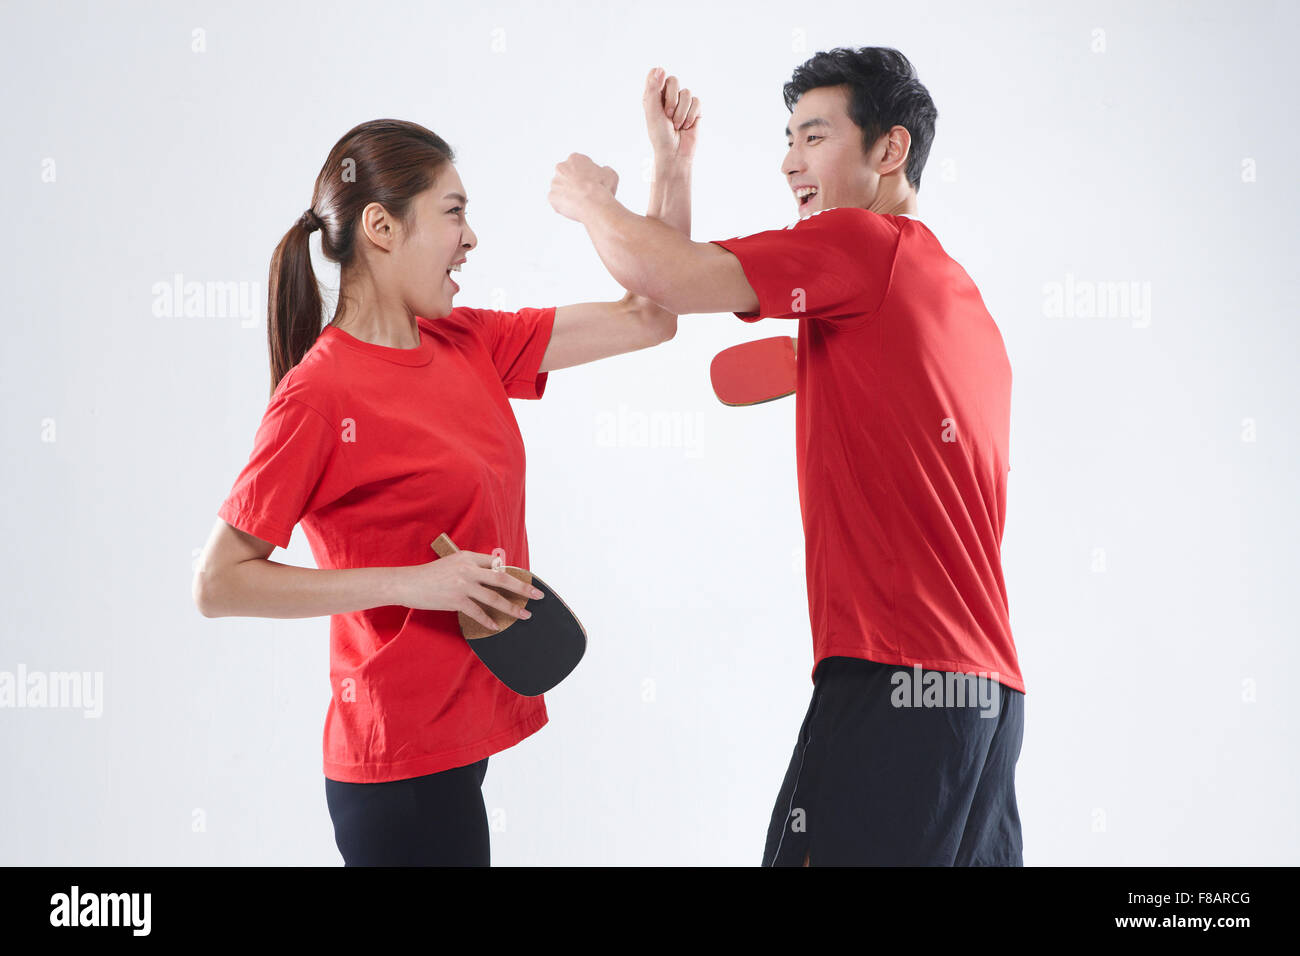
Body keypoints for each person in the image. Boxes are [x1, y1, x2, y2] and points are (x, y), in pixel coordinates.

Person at [192, 68, 700, 866]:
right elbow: (219, 583)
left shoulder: (469, 342)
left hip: (459, 748)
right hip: (397, 771)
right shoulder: (318, 393)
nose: (471, 237)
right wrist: (411, 583)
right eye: (454, 212)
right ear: (382, 228)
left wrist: (670, 163)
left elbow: (653, 315)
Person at [548, 47, 1026, 866]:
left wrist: (595, 202)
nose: (789, 161)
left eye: (813, 137)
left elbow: (664, 280)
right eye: (788, 139)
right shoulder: (958, 299)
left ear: (889, 150)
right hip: (987, 703)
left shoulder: (862, 245)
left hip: (892, 680)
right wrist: (675, 163)